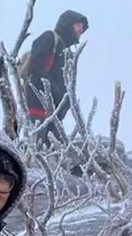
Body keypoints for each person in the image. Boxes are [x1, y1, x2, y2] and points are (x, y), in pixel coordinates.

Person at [25, 9, 89, 146]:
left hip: (54, 116)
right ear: (68, 23)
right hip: (37, 108)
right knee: (36, 152)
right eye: (78, 25)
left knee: (53, 155)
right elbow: (37, 68)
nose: (80, 30)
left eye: (82, 28)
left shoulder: (67, 54)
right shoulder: (49, 38)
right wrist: (55, 92)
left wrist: (63, 105)